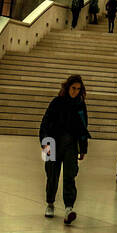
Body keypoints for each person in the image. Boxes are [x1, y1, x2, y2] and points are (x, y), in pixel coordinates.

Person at [39, 73, 90, 224]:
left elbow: (83, 127)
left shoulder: (80, 105)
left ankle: (69, 207)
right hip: (51, 143)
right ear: (67, 88)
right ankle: (50, 203)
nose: (75, 91)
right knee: (52, 175)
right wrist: (44, 143)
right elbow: (45, 123)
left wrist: (83, 148)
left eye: (78, 89)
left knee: (70, 175)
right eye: (73, 88)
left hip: (71, 145)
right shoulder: (57, 102)